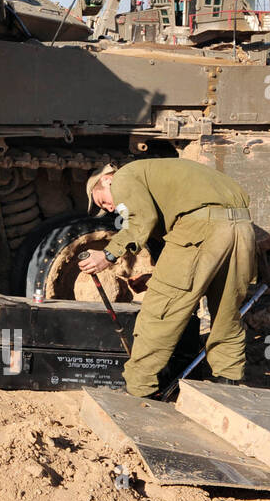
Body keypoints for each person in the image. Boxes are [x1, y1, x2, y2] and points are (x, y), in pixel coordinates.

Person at [79, 159, 256, 399]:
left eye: (102, 201)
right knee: (227, 314)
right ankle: (228, 386)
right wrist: (155, 277)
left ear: (106, 179)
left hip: (200, 229)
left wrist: (108, 255)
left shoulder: (123, 177)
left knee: (158, 313)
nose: (110, 209)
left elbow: (141, 220)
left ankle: (139, 391)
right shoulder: (161, 172)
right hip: (242, 229)